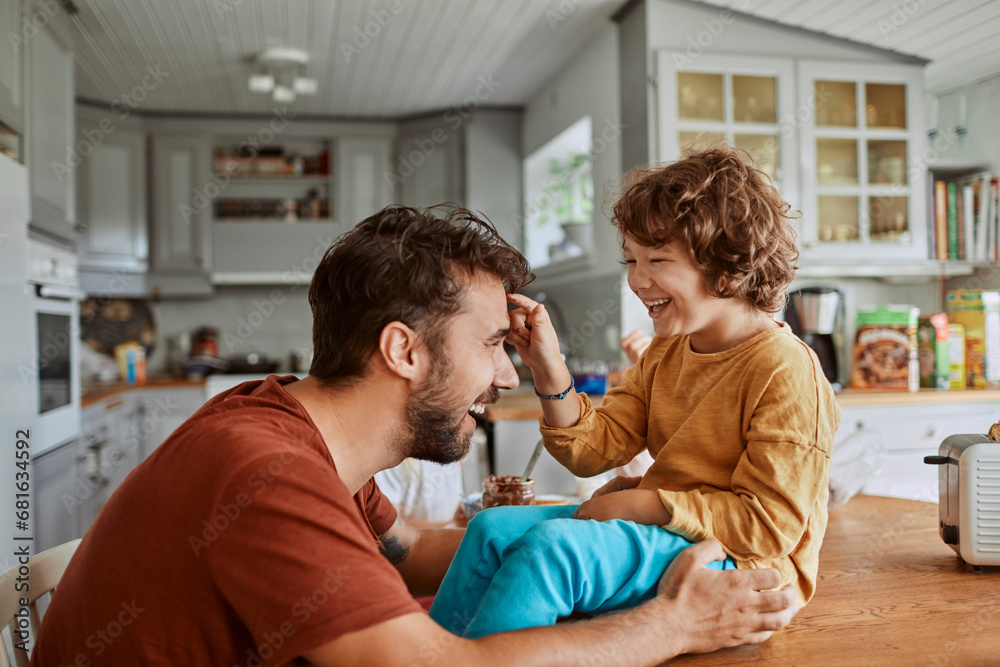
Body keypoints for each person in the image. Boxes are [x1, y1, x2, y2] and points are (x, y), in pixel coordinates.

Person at [33, 205, 797, 667]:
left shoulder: (291, 431)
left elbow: (420, 554)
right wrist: (674, 620)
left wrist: (600, 525)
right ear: (403, 350)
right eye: (495, 344)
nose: (506, 376)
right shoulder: (262, 470)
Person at [429, 146, 840, 639]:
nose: (637, 280)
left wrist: (648, 504)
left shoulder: (784, 368)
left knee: (553, 551)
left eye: (658, 260)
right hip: (670, 533)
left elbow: (769, 526)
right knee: (489, 531)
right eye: (631, 259)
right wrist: (548, 365)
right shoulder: (669, 352)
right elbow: (592, 452)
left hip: (748, 567)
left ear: (728, 266)